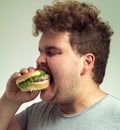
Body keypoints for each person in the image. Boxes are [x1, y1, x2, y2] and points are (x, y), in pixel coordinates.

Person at [0, 0, 120, 130]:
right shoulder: (36, 114)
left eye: (51, 52)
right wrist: (10, 100)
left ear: (86, 62)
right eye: (40, 52)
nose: (39, 60)